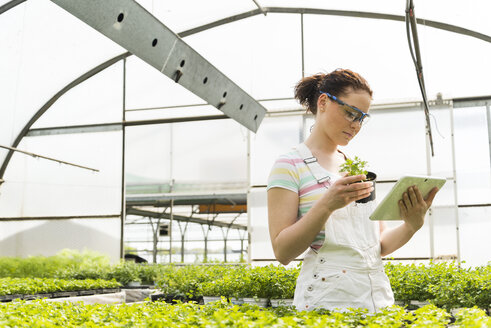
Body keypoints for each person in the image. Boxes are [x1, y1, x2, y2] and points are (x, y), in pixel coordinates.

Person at [267, 68, 439, 312]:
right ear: (324, 102)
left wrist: (412, 224)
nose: (356, 125)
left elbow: (377, 245)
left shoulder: (356, 167)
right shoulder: (290, 165)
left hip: (375, 301)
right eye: (351, 113)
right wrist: (326, 205)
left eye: (362, 118)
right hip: (326, 304)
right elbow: (282, 251)